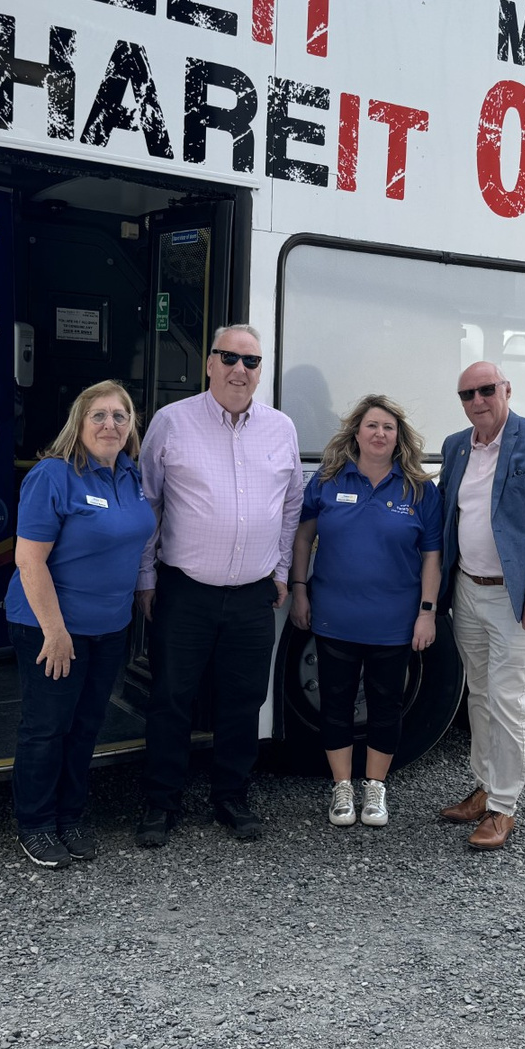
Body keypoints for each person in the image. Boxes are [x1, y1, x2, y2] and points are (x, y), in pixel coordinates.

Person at [134, 325, 303, 846]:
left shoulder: (281, 428)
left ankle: (231, 797)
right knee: (171, 700)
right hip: (185, 591)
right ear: (209, 363)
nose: (239, 369)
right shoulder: (172, 423)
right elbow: (149, 504)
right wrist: (145, 577)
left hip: (253, 595)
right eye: (228, 357)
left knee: (243, 700)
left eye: (250, 361)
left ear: (260, 370)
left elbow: (291, 503)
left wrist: (278, 571)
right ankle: (161, 804)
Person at [4, 382, 154, 869]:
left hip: (109, 629)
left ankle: (70, 815)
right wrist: (55, 631)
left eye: (120, 416)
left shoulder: (131, 475)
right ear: (79, 422)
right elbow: (29, 562)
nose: (110, 424)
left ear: (131, 426)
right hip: (50, 628)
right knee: (47, 728)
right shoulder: (54, 476)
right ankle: (36, 824)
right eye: (99, 416)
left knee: (87, 725)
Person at [436, 362, 525, 850]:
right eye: (467, 394)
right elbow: (446, 515)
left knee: (508, 701)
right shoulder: (457, 446)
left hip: (514, 597)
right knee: (477, 694)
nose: (477, 400)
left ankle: (503, 808)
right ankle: (483, 788)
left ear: (506, 390)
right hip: (467, 590)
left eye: (486, 390)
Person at [289, 396, 442, 828]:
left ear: (399, 438)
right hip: (334, 616)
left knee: (385, 706)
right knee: (335, 704)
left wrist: (426, 613)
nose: (379, 434)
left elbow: (432, 555)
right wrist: (300, 590)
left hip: (394, 622)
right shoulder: (328, 479)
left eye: (388, 428)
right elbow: (302, 540)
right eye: (371, 425)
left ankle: (374, 789)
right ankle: (341, 788)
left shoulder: (418, 490)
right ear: (356, 432)